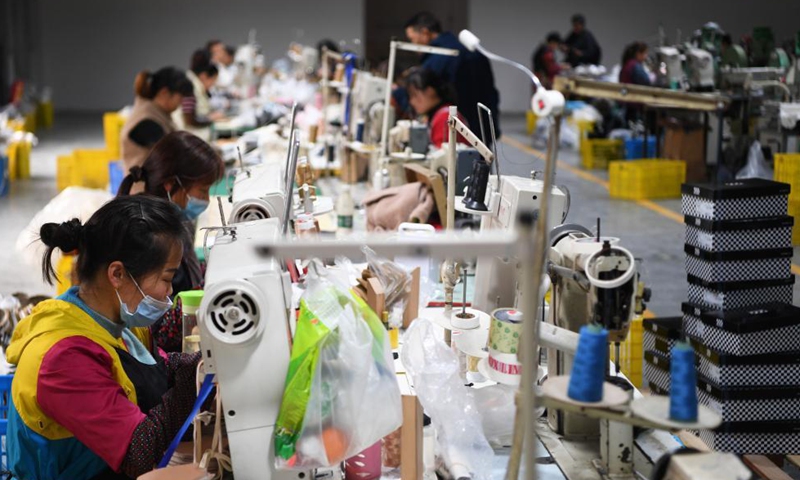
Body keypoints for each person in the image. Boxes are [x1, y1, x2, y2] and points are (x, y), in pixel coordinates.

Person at [6, 195, 201, 479]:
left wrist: (202, 365)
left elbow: (154, 372)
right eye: (166, 278)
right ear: (118, 274)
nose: (169, 292)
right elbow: (138, 454)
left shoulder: (117, 320)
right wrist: (192, 385)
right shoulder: (62, 358)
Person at [117, 131, 224, 352]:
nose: (206, 200)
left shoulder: (177, 221)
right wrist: (210, 288)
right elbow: (157, 331)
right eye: (202, 191)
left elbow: (186, 275)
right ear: (170, 184)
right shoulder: (148, 232)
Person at [404, 12, 501, 139]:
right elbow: (491, 92)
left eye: (412, 39)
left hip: (458, 130)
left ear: (425, 33)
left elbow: (422, 94)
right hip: (484, 126)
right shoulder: (472, 52)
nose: (413, 45)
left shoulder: (438, 59)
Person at [120, 67, 192, 174]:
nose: (181, 103)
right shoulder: (146, 120)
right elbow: (175, 153)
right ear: (164, 93)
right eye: (180, 98)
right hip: (145, 189)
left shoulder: (158, 112)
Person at [405, 68, 470, 148]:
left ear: (430, 91)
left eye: (415, 95)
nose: (411, 101)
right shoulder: (439, 115)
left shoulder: (445, 118)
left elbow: (442, 156)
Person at [174, 49, 223, 141]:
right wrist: (210, 118)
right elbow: (190, 120)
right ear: (204, 75)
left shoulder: (193, 82)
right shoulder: (190, 86)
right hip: (190, 138)